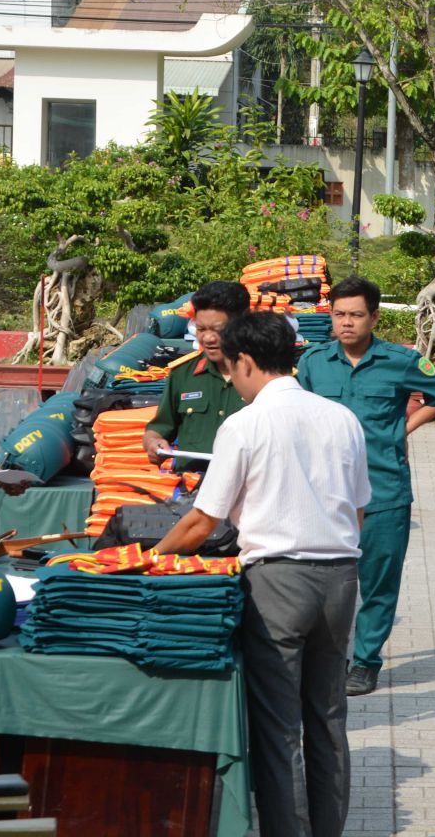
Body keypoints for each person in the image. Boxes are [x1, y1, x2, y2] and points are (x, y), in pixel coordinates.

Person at [153, 312, 369, 837]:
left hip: (278, 583)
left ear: (245, 361)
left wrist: (151, 558)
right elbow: (359, 509)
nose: (230, 380)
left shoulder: (245, 424)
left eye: (230, 369)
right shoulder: (342, 418)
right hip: (341, 579)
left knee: (277, 727)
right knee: (327, 719)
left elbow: (203, 520)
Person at [295, 275, 435, 696]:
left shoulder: (399, 361)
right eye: (339, 315)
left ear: (374, 317)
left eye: (355, 315)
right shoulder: (313, 362)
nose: (346, 323)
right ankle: (327, 658)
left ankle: (365, 662)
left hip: (383, 488)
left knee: (378, 582)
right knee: (321, 581)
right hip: (325, 493)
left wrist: (404, 428)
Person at [143, 280, 250, 465]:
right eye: (201, 329)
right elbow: (159, 428)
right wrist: (153, 443)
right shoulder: (182, 374)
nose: (207, 338)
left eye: (218, 330)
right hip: (193, 481)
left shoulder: (266, 376)